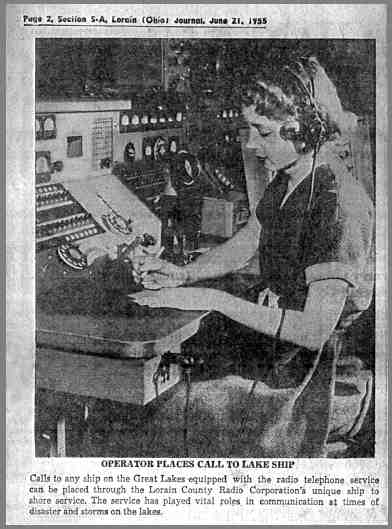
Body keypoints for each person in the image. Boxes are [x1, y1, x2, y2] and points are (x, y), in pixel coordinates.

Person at [129, 57, 374, 365]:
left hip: (314, 370)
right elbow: (249, 241)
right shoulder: (292, 178)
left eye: (264, 132)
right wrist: (184, 274)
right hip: (280, 346)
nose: (252, 144)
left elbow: (314, 331)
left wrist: (214, 299)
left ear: (305, 131)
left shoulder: (338, 204)